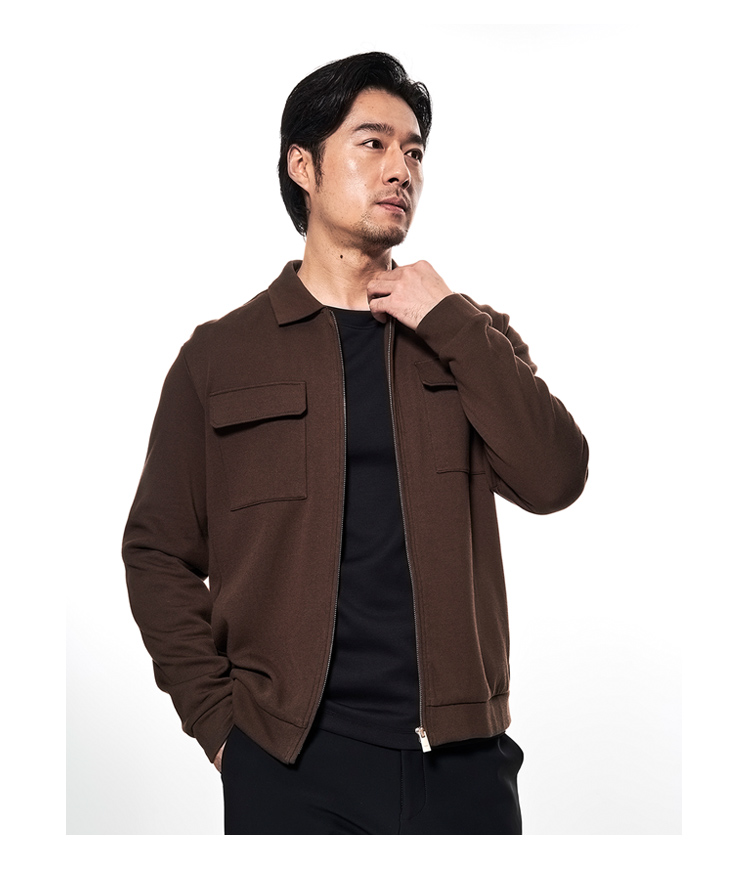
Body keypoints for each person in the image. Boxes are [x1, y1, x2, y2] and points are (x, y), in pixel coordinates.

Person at [123, 51, 589, 835]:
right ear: (302, 166)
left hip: (463, 761)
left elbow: (555, 476)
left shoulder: (467, 333)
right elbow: (157, 550)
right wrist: (220, 725)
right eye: (372, 143)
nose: (401, 168)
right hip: (290, 762)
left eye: (415, 152)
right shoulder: (220, 357)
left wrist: (450, 320)